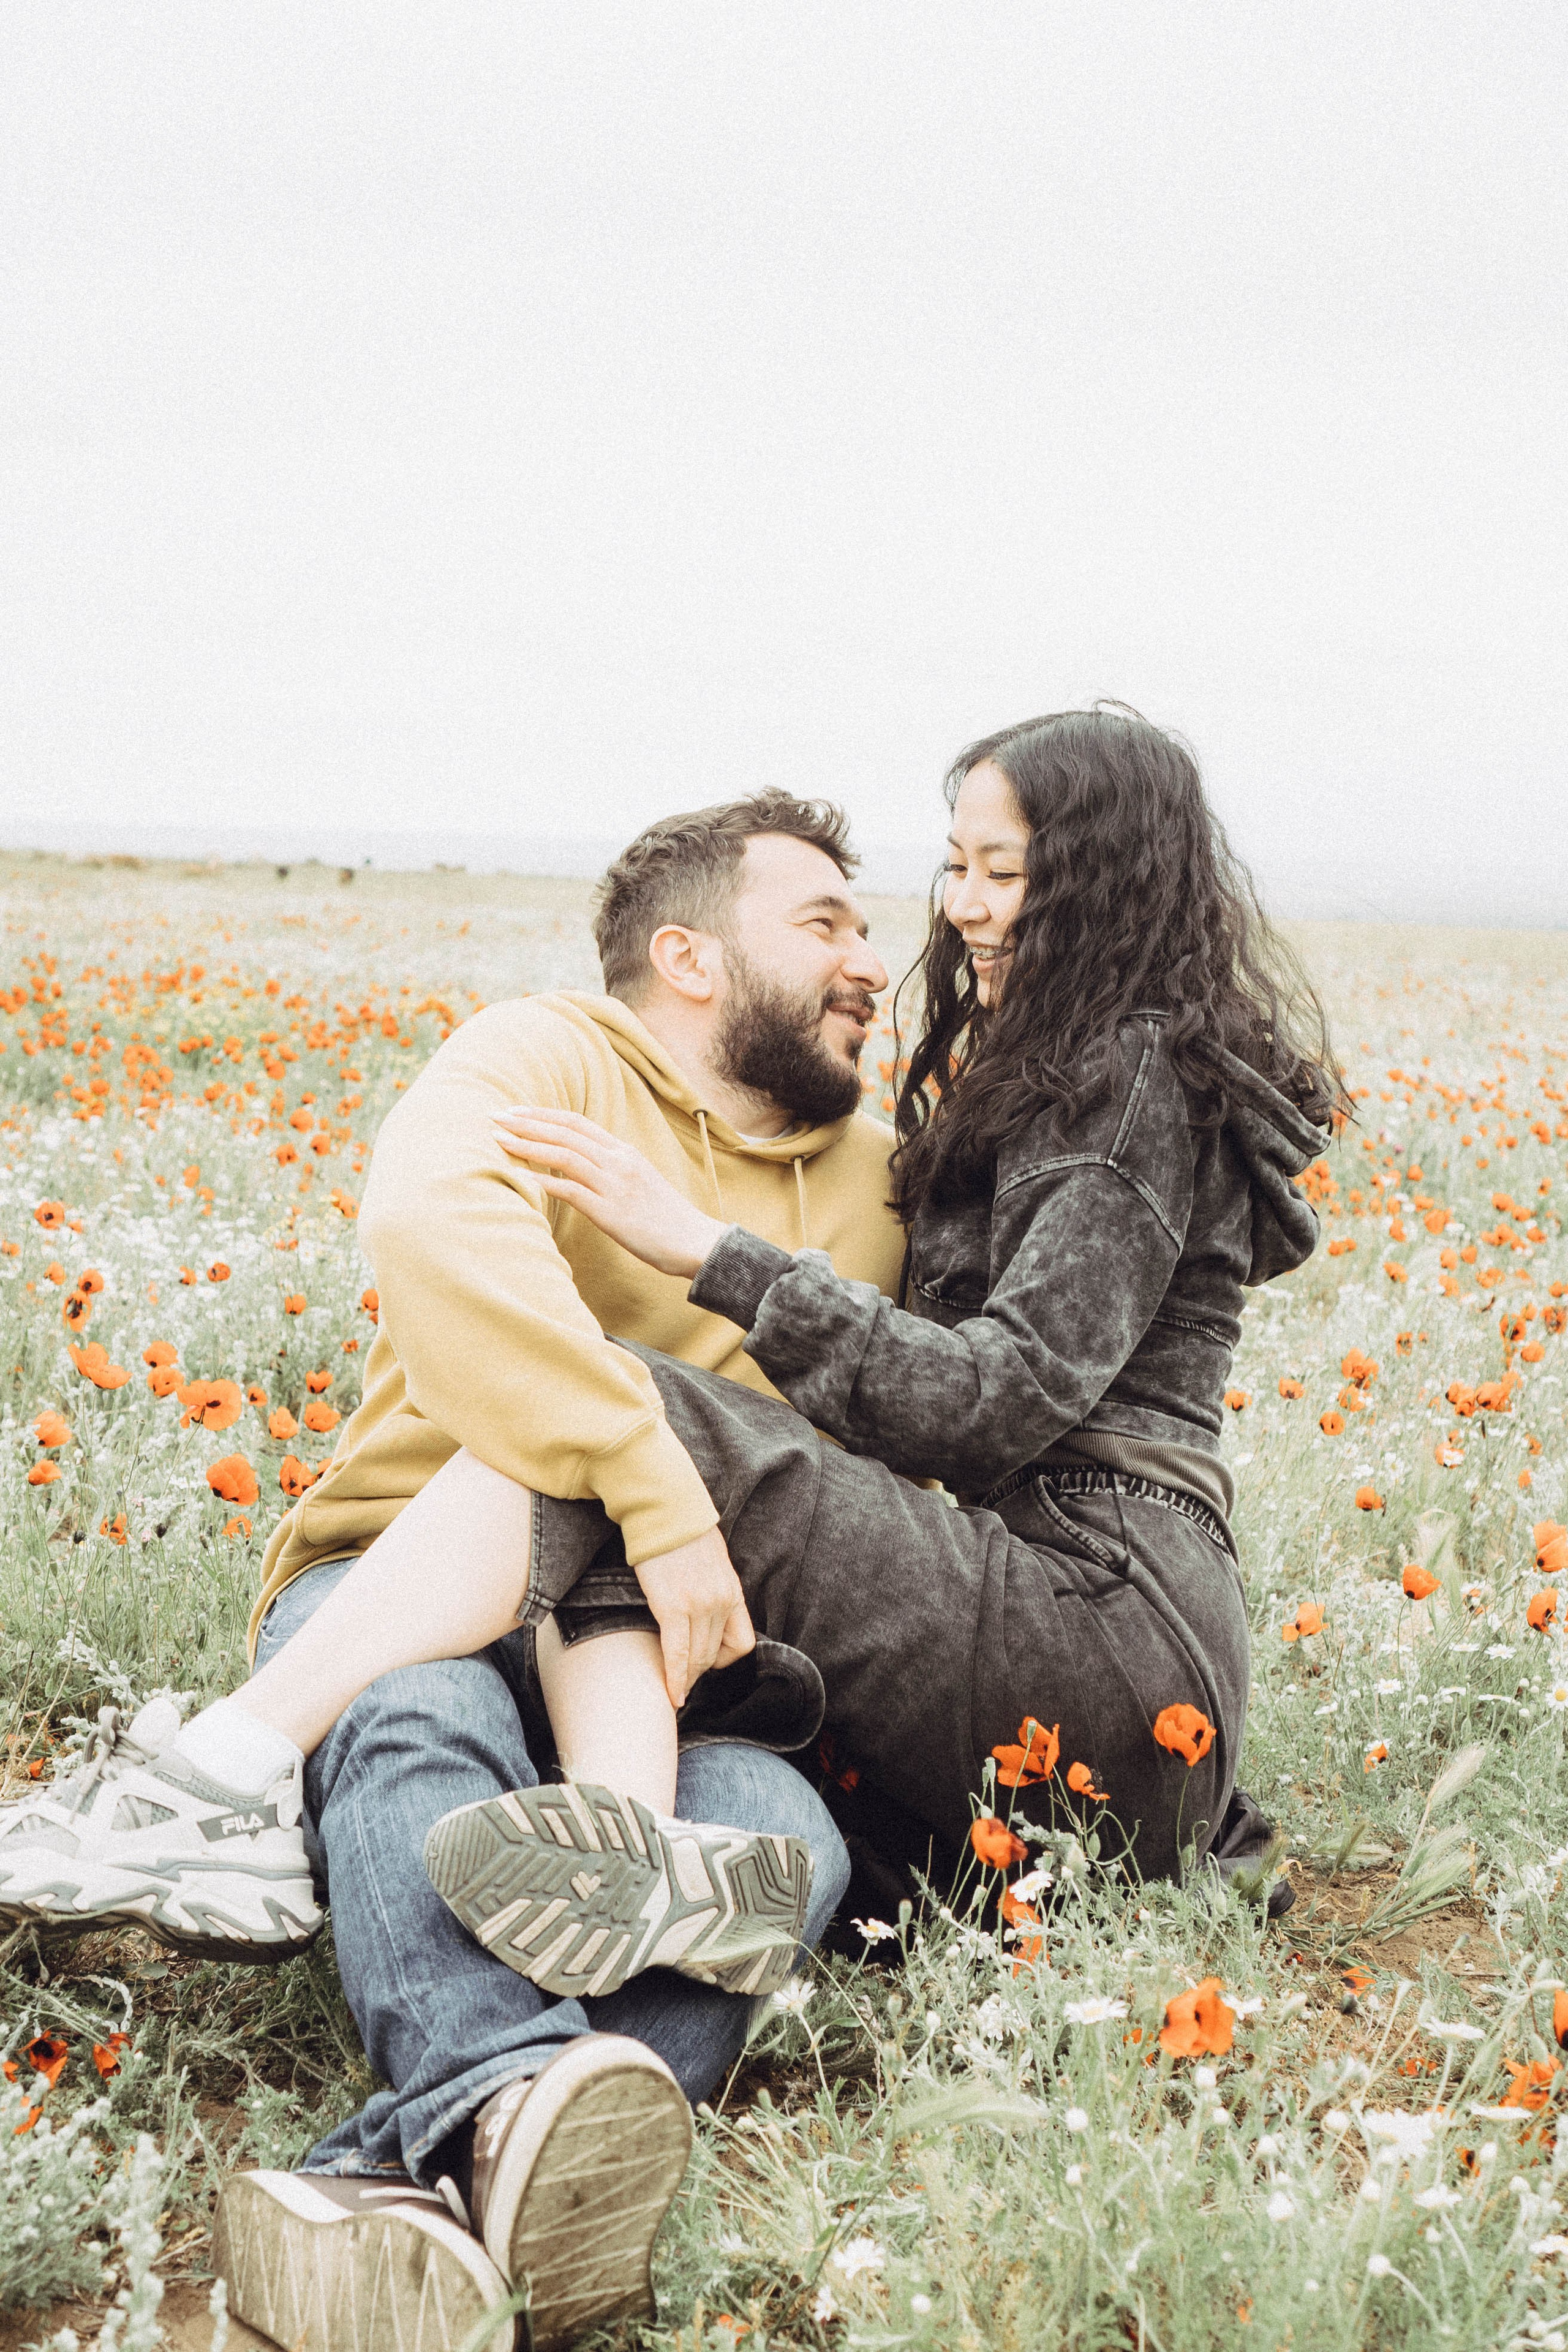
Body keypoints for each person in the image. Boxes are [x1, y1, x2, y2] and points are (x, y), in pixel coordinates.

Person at [0, 791, 907, 2352]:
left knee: (779, 1843)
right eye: (823, 922)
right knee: (422, 1726)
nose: (865, 960)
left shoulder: (878, 1181)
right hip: (420, 1569)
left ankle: (421, 2185)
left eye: (866, 927)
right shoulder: (543, 1056)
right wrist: (651, 1482)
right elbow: (433, 1222)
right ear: (688, 957)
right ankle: (497, 2117)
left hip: (670, 1649)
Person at [392, 708, 1341, 1994]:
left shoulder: (1132, 1077)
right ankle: (618, 1909)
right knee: (634, 1492)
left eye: (1001, 871)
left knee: (627, 1402)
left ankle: (260, 1766)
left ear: (1103, 876)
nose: (958, 908)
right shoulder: (1072, 1073)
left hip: (1100, 1618)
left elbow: (988, 1402)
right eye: (954, 868)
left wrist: (705, 1250)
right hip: (1061, 1625)